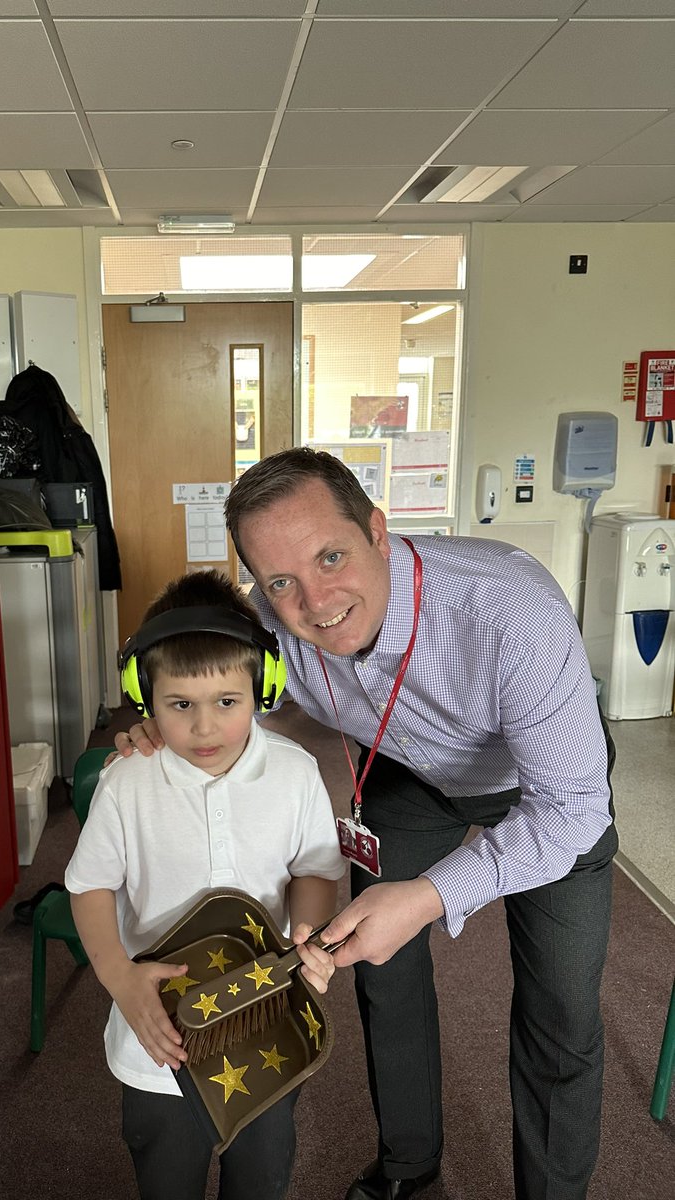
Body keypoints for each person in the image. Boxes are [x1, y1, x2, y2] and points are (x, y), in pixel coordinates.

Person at [116, 448, 617, 1200]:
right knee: (381, 966)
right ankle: (409, 1169)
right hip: (408, 778)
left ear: (379, 532)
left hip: (543, 787)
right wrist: (159, 725)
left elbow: (573, 807)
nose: (314, 601)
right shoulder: (266, 629)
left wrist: (429, 897)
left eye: (331, 556)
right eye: (280, 580)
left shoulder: (511, 611)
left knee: (561, 1007)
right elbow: (205, 687)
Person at [67, 568, 345, 1200]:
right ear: (145, 696)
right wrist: (118, 978)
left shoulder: (296, 774)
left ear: (263, 689)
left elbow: (315, 870)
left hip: (265, 1022)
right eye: (179, 705)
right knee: (166, 1176)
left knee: (262, 1177)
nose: (203, 728)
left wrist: (307, 935)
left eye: (227, 702)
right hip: (158, 1041)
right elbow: (89, 887)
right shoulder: (127, 784)